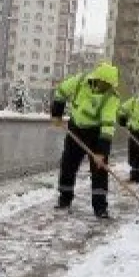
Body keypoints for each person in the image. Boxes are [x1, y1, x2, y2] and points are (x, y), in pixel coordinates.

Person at [50, 63, 121, 218]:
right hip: (76, 128)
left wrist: (101, 152)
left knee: (99, 169)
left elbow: (108, 125)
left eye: (110, 85)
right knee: (68, 164)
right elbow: (61, 91)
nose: (107, 88)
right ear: (97, 79)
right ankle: (65, 199)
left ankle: (100, 207)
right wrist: (57, 113)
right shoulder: (80, 81)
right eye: (105, 84)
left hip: (96, 134)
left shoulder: (111, 97)